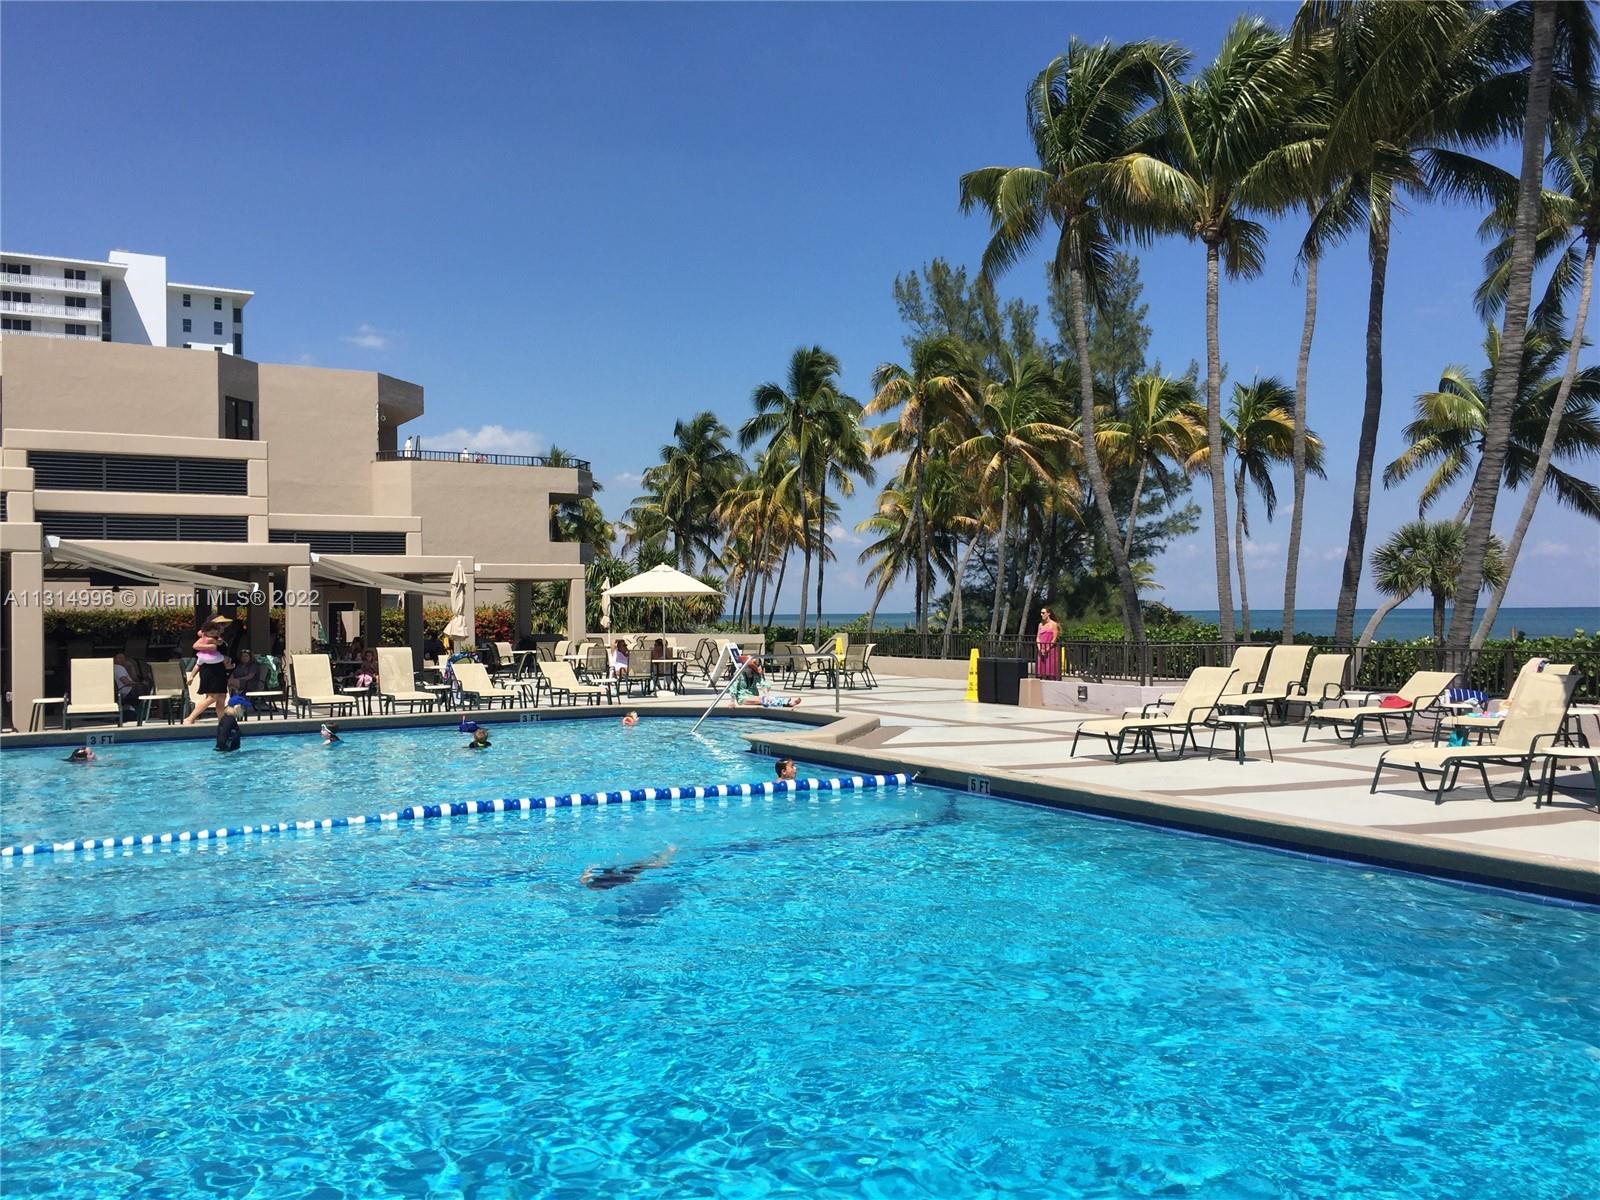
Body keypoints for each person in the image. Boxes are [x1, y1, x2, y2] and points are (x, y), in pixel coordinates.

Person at [183, 617, 233, 726]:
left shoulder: (219, 637)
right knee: (212, 697)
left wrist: (225, 659)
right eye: (221, 624)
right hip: (209, 670)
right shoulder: (206, 636)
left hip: (220, 669)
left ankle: (222, 721)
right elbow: (196, 646)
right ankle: (190, 718)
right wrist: (211, 646)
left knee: (222, 697)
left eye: (224, 625)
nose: (223, 626)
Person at [580, 845, 676, 890]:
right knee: (649, 864)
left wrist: (587, 873)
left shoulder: (594, 885)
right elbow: (584, 880)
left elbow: (584, 880)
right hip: (618, 875)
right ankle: (668, 851)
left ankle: (669, 851)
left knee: (654, 864)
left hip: (619, 876)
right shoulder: (594, 884)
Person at [728, 655, 801, 709]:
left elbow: (763, 684)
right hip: (743, 697)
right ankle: (787, 702)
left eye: (747, 666)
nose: (744, 667)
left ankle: (787, 703)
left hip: (754, 695)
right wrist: (732, 701)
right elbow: (733, 687)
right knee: (761, 699)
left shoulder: (755, 675)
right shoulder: (739, 673)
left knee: (764, 699)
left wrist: (767, 694)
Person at [1035, 606, 1062, 681]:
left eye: (1043, 613)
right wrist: (1040, 648)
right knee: (1041, 671)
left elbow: (1054, 638)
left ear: (1048, 613)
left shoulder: (1054, 624)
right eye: (1041, 613)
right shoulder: (1040, 625)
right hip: (1041, 649)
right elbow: (1037, 637)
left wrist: (1047, 648)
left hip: (1050, 649)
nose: (1041, 614)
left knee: (1050, 669)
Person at [112, 653, 142, 718]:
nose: (122, 660)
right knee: (145, 688)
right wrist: (140, 684)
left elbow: (134, 678)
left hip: (124, 690)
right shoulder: (118, 668)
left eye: (123, 658)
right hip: (125, 691)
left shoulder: (121, 668)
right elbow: (126, 682)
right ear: (114, 659)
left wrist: (131, 667)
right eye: (119, 658)